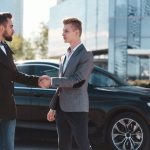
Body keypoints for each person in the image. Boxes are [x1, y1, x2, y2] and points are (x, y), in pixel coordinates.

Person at [45, 18, 93, 150]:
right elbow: (62, 86)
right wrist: (53, 107)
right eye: (63, 31)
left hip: (77, 108)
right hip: (61, 108)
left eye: (66, 31)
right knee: (63, 144)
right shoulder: (64, 56)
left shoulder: (86, 55)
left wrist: (51, 81)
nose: (62, 34)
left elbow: (77, 80)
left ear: (77, 32)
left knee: (82, 144)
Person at [0, 12, 47, 150]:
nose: (13, 30)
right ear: (1, 28)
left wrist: (37, 80)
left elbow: (14, 75)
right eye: (11, 26)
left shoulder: (5, 48)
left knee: (8, 147)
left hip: (8, 109)